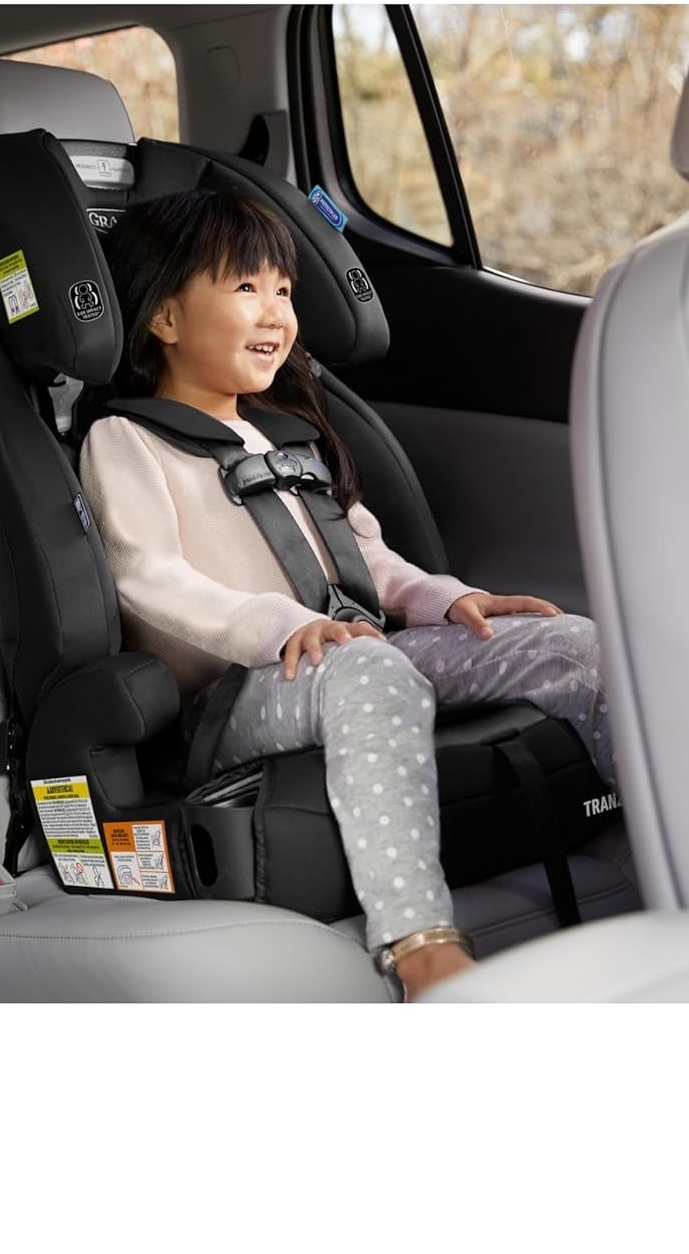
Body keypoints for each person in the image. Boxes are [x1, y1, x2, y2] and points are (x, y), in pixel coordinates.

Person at [78, 188, 614, 1000]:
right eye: (246, 287)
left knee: (575, 643)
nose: (276, 312)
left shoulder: (289, 437)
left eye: (285, 291)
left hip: (356, 654)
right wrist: (278, 626)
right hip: (238, 694)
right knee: (371, 670)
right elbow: (144, 575)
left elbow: (366, 555)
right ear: (166, 318)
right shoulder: (127, 439)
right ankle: (420, 946)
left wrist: (447, 599)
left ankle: (670, 849)